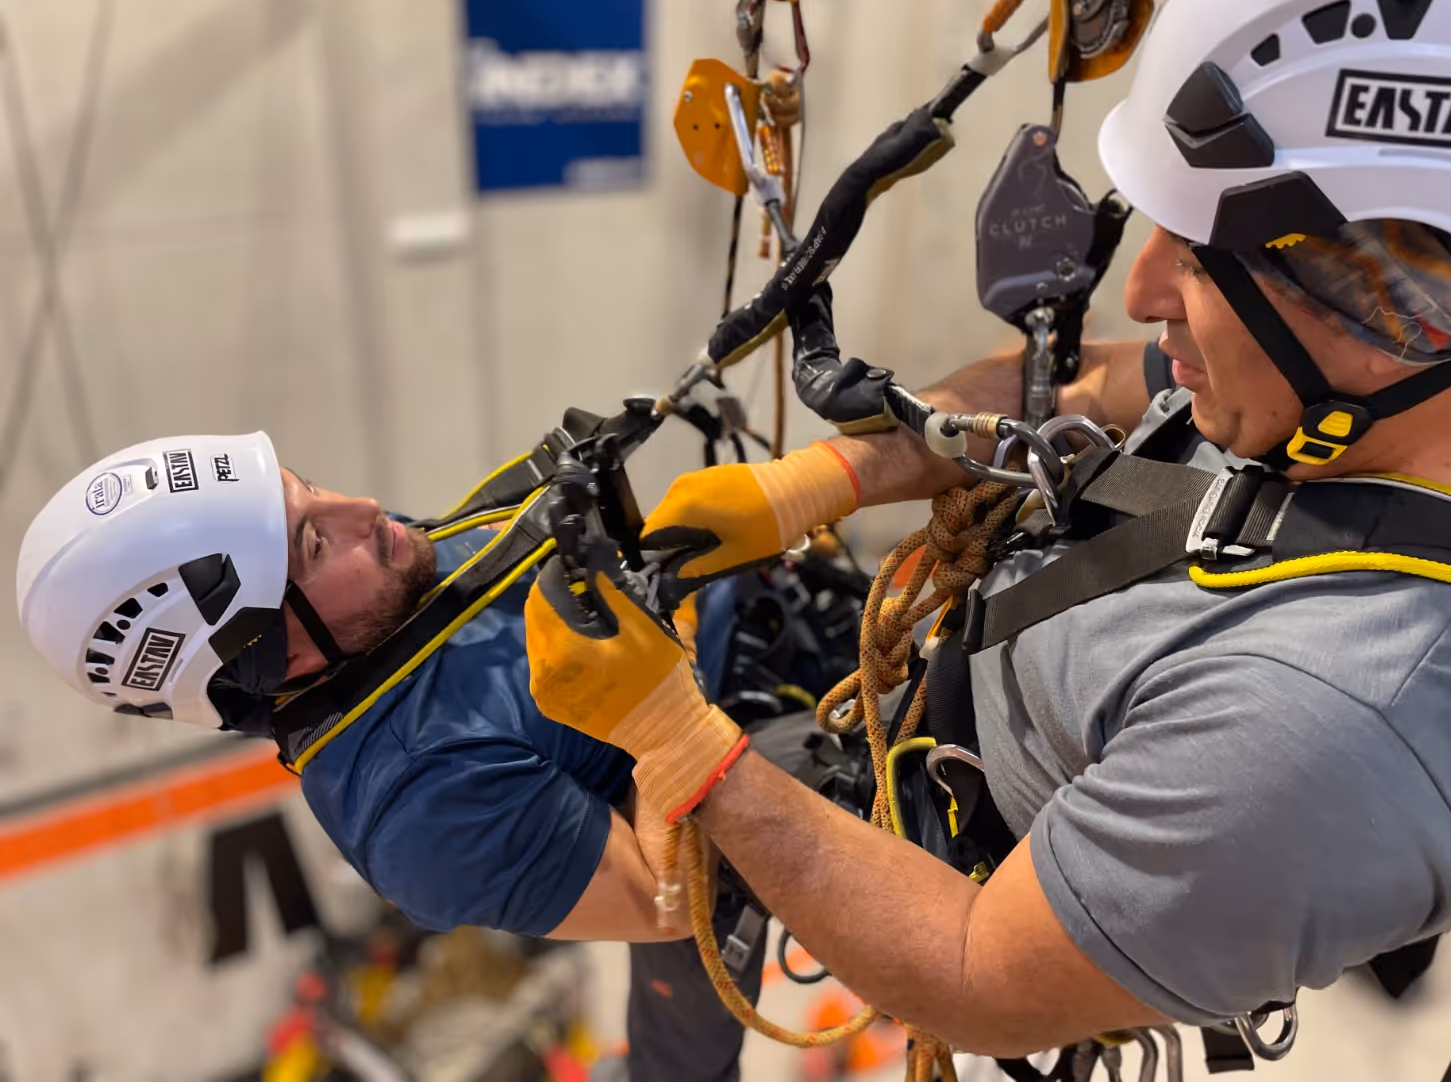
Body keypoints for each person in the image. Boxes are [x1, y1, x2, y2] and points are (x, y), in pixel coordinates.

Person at [522, 0, 1451, 1060]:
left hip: (962, 878)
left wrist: (685, 752)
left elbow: (980, 975)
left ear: (1384, 295)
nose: (1138, 294)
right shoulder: (1441, 368)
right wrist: (822, 479)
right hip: (940, 712)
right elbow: (1082, 388)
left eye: (1194, 260)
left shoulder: (1337, 730)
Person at [13, 427, 856, 1082]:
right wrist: (663, 698)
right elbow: (669, 903)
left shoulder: (372, 589)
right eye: (311, 542)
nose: (364, 508)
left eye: (309, 492)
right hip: (767, 746)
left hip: (788, 618)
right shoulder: (417, 806)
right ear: (277, 658)